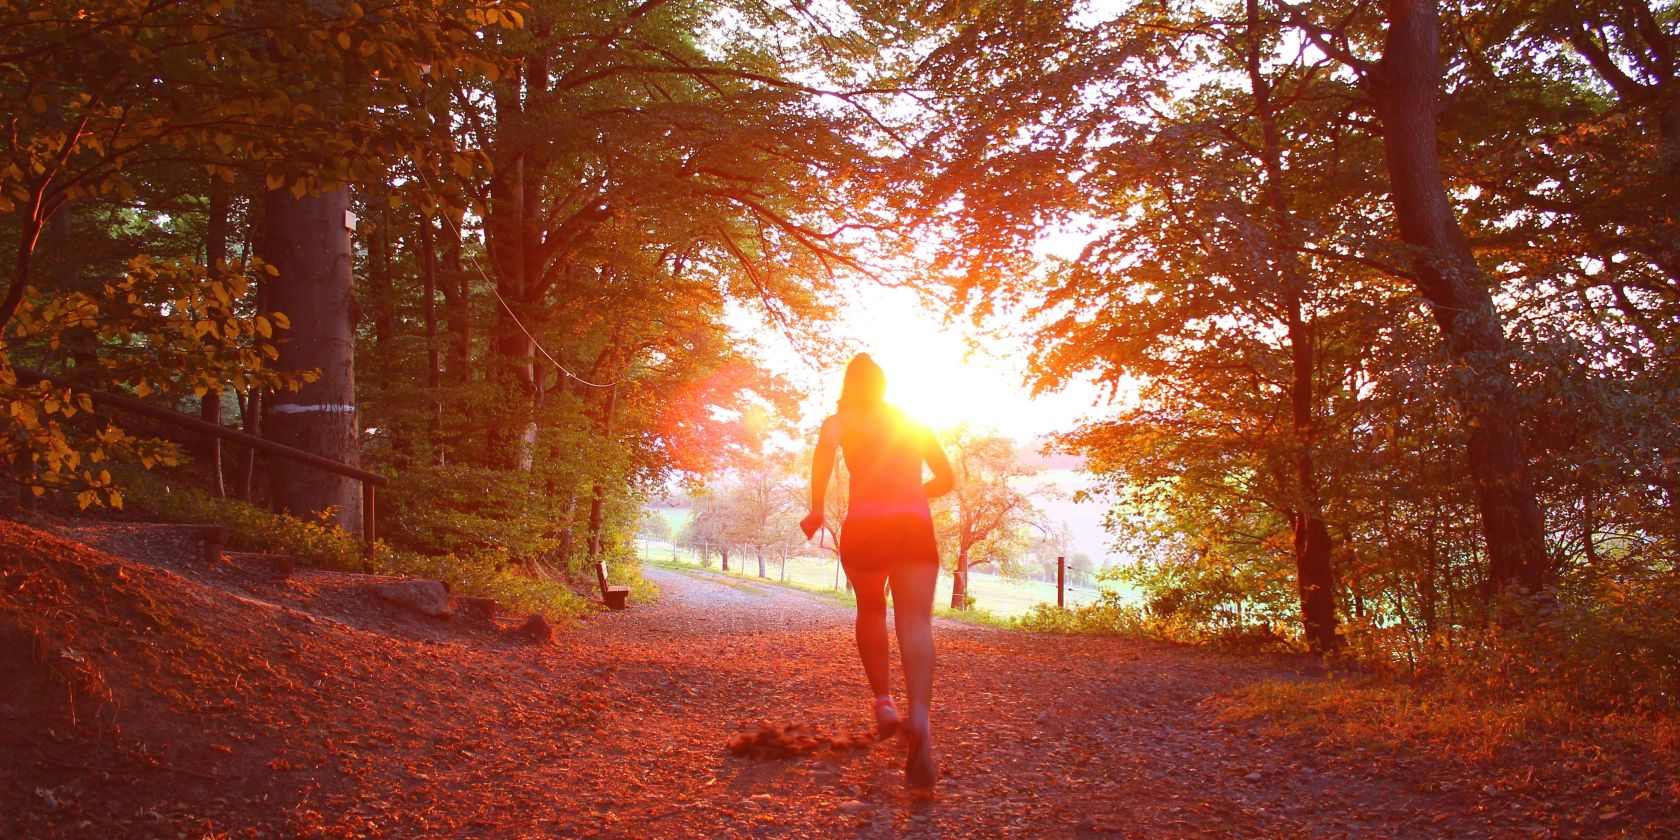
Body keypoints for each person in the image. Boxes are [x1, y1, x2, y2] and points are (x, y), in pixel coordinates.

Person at [800, 354, 954, 789]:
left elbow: (822, 464)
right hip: (912, 526)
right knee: (915, 621)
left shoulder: (838, 422)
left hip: (865, 527)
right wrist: (909, 493)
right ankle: (920, 718)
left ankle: (885, 705)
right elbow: (946, 478)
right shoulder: (913, 422)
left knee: (870, 609)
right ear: (884, 386)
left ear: (849, 385)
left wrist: (815, 510)